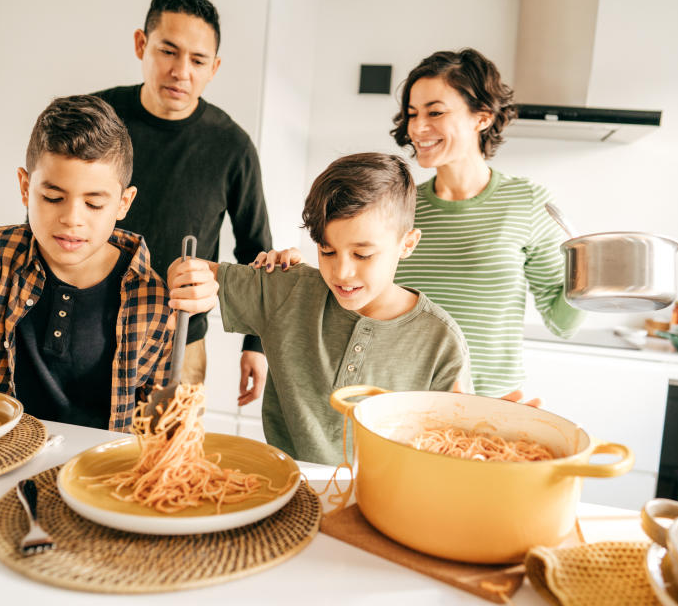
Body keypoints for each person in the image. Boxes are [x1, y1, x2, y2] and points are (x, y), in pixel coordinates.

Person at [0, 95, 218, 431]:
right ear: (25, 188)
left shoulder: (152, 297)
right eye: (53, 197)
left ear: (123, 203)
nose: (72, 219)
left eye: (94, 204)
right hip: (6, 460)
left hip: (99, 475)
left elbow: (156, 427)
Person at [167, 153, 472, 465]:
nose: (342, 272)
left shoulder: (441, 340)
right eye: (327, 251)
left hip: (389, 498)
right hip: (290, 488)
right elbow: (190, 266)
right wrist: (194, 283)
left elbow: (456, 447)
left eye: (362, 255)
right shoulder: (290, 290)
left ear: (407, 244)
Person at [93, 0, 271, 406]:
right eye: (168, 52)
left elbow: (256, 250)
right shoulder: (98, 117)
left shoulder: (232, 145)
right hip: (87, 325)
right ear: (142, 44)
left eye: (197, 60)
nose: (181, 71)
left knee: (168, 461)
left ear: (215, 67)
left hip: (180, 340)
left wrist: (256, 344)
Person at [390, 48, 585, 397]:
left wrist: (593, 276)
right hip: (402, 403)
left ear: (482, 117)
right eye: (411, 114)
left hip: (490, 406)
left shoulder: (526, 201)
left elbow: (562, 324)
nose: (418, 127)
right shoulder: (399, 205)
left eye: (434, 112)